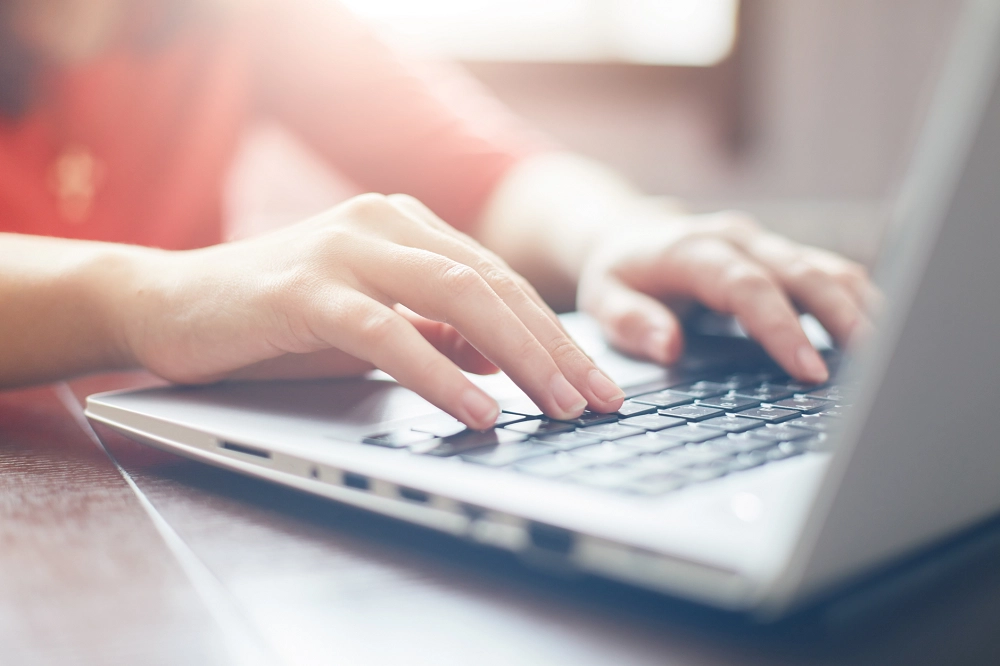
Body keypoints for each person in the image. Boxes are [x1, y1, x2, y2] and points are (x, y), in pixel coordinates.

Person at [0, 0, 876, 431]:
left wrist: (619, 230)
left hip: (160, 466)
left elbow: (483, 167)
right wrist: (150, 296)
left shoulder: (244, 16)